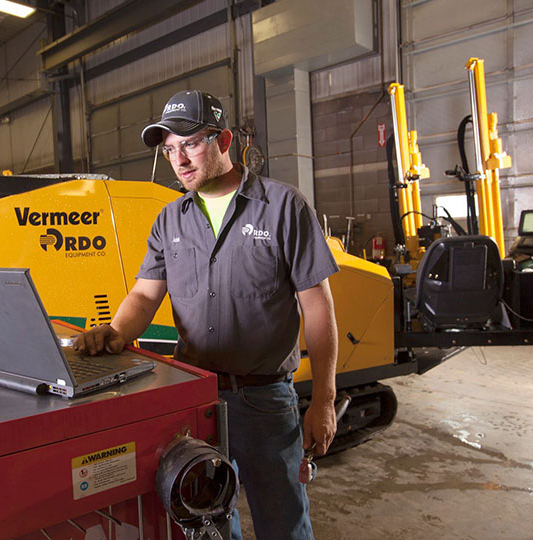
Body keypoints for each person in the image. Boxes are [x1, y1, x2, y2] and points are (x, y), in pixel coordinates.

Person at [73, 90, 339, 540]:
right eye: (169, 149)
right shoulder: (169, 221)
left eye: (190, 143)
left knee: (284, 524)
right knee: (207, 523)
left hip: (265, 403)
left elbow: (318, 306)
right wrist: (115, 332)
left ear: (223, 140)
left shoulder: (283, 207)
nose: (180, 159)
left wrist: (325, 400)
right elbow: (143, 295)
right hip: (196, 402)